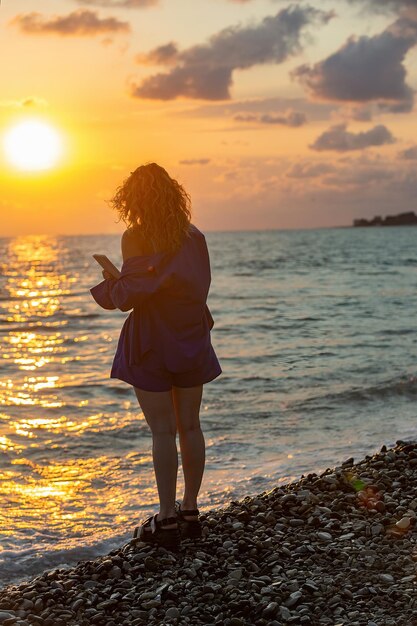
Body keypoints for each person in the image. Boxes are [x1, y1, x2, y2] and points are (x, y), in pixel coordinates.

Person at [90, 163, 221, 550]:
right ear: (173, 194)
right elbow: (199, 287)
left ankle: (165, 518)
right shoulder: (194, 236)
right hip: (190, 335)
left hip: (152, 340)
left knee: (162, 432)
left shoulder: (136, 236)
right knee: (191, 427)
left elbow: (130, 297)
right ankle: (191, 511)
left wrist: (113, 281)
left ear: (132, 200)